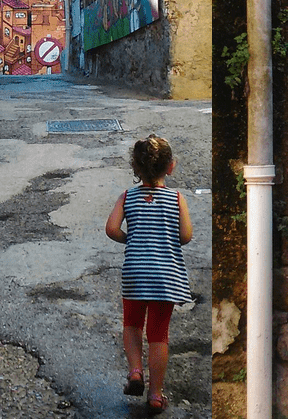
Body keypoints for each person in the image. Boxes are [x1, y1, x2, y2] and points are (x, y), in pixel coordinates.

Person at [105, 135, 193, 414]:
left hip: (135, 273)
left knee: (132, 324)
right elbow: (186, 236)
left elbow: (111, 229)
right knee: (159, 334)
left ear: (136, 168)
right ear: (171, 166)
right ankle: (155, 394)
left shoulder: (127, 197)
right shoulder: (177, 198)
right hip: (165, 277)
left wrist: (130, 239)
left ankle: (134, 371)